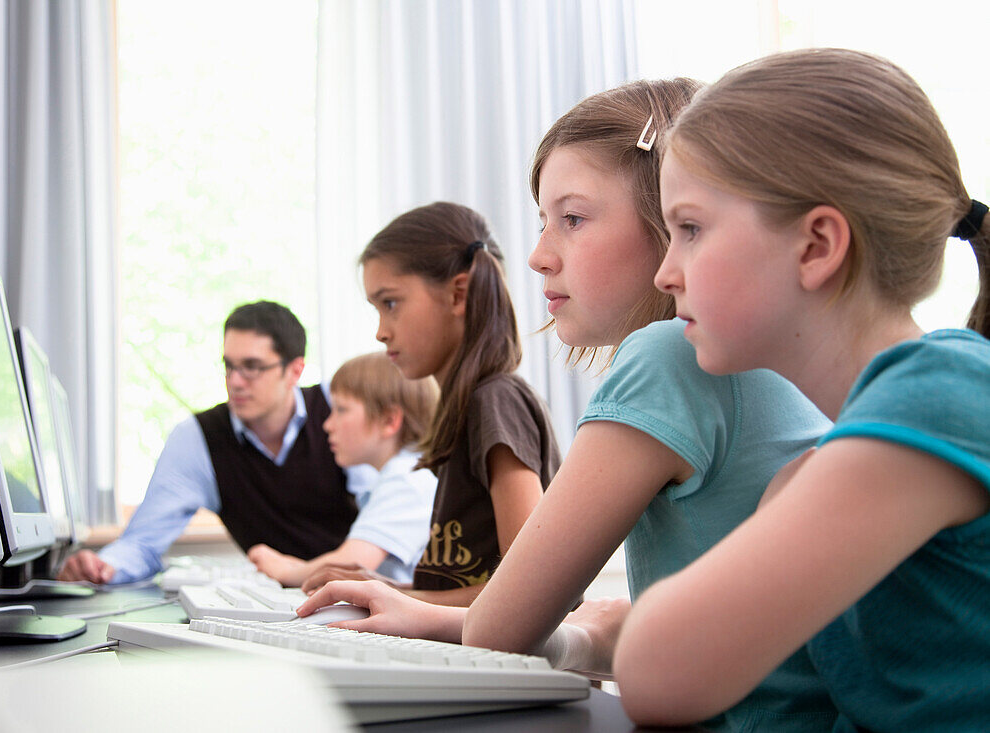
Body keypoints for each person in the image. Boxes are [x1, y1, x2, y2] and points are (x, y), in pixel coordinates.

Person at [301, 80, 839, 730]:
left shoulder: (670, 358)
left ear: (670, 219)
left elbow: (502, 628)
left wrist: (447, 616)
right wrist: (438, 614)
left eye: (573, 218)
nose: (536, 255)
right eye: (541, 221)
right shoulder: (763, 357)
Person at [610, 48, 990, 729]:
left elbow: (658, 673)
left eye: (690, 228)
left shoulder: (937, 397)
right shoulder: (820, 470)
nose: (666, 272)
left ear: (817, 245)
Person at [58, 301, 431, 585]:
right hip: (291, 600)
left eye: (252, 367)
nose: (235, 381)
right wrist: (105, 566)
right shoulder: (198, 438)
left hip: (344, 595)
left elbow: (363, 554)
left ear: (294, 370)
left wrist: (293, 571)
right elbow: (142, 541)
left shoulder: (343, 411)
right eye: (229, 366)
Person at [303, 202, 561, 607]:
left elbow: (531, 593)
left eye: (390, 303)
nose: (380, 332)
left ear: (458, 293)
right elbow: (462, 590)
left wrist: (399, 599)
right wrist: (386, 588)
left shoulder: (496, 400)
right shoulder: (463, 408)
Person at [247, 351, 440, 587]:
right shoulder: (402, 474)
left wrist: (285, 573)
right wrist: (295, 566)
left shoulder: (407, 479)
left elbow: (351, 564)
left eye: (341, 409)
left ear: (389, 420)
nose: (327, 425)